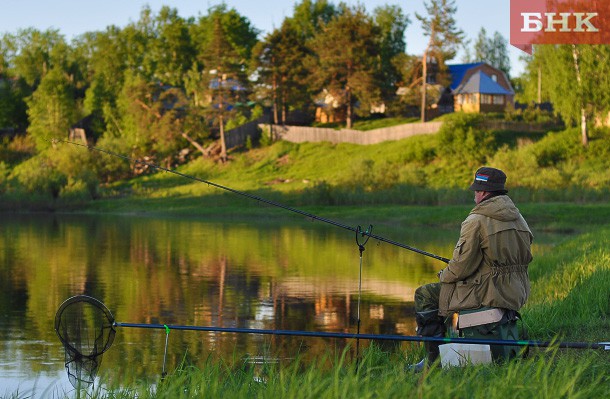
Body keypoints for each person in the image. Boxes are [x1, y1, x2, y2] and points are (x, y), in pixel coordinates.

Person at [410, 166, 533, 371]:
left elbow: (459, 268)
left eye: (476, 190)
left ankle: (433, 362)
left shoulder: (476, 220)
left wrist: (444, 274)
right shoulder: (518, 217)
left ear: (483, 193)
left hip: (489, 291)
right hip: (516, 291)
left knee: (425, 294)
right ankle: (451, 351)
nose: (474, 195)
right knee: (446, 292)